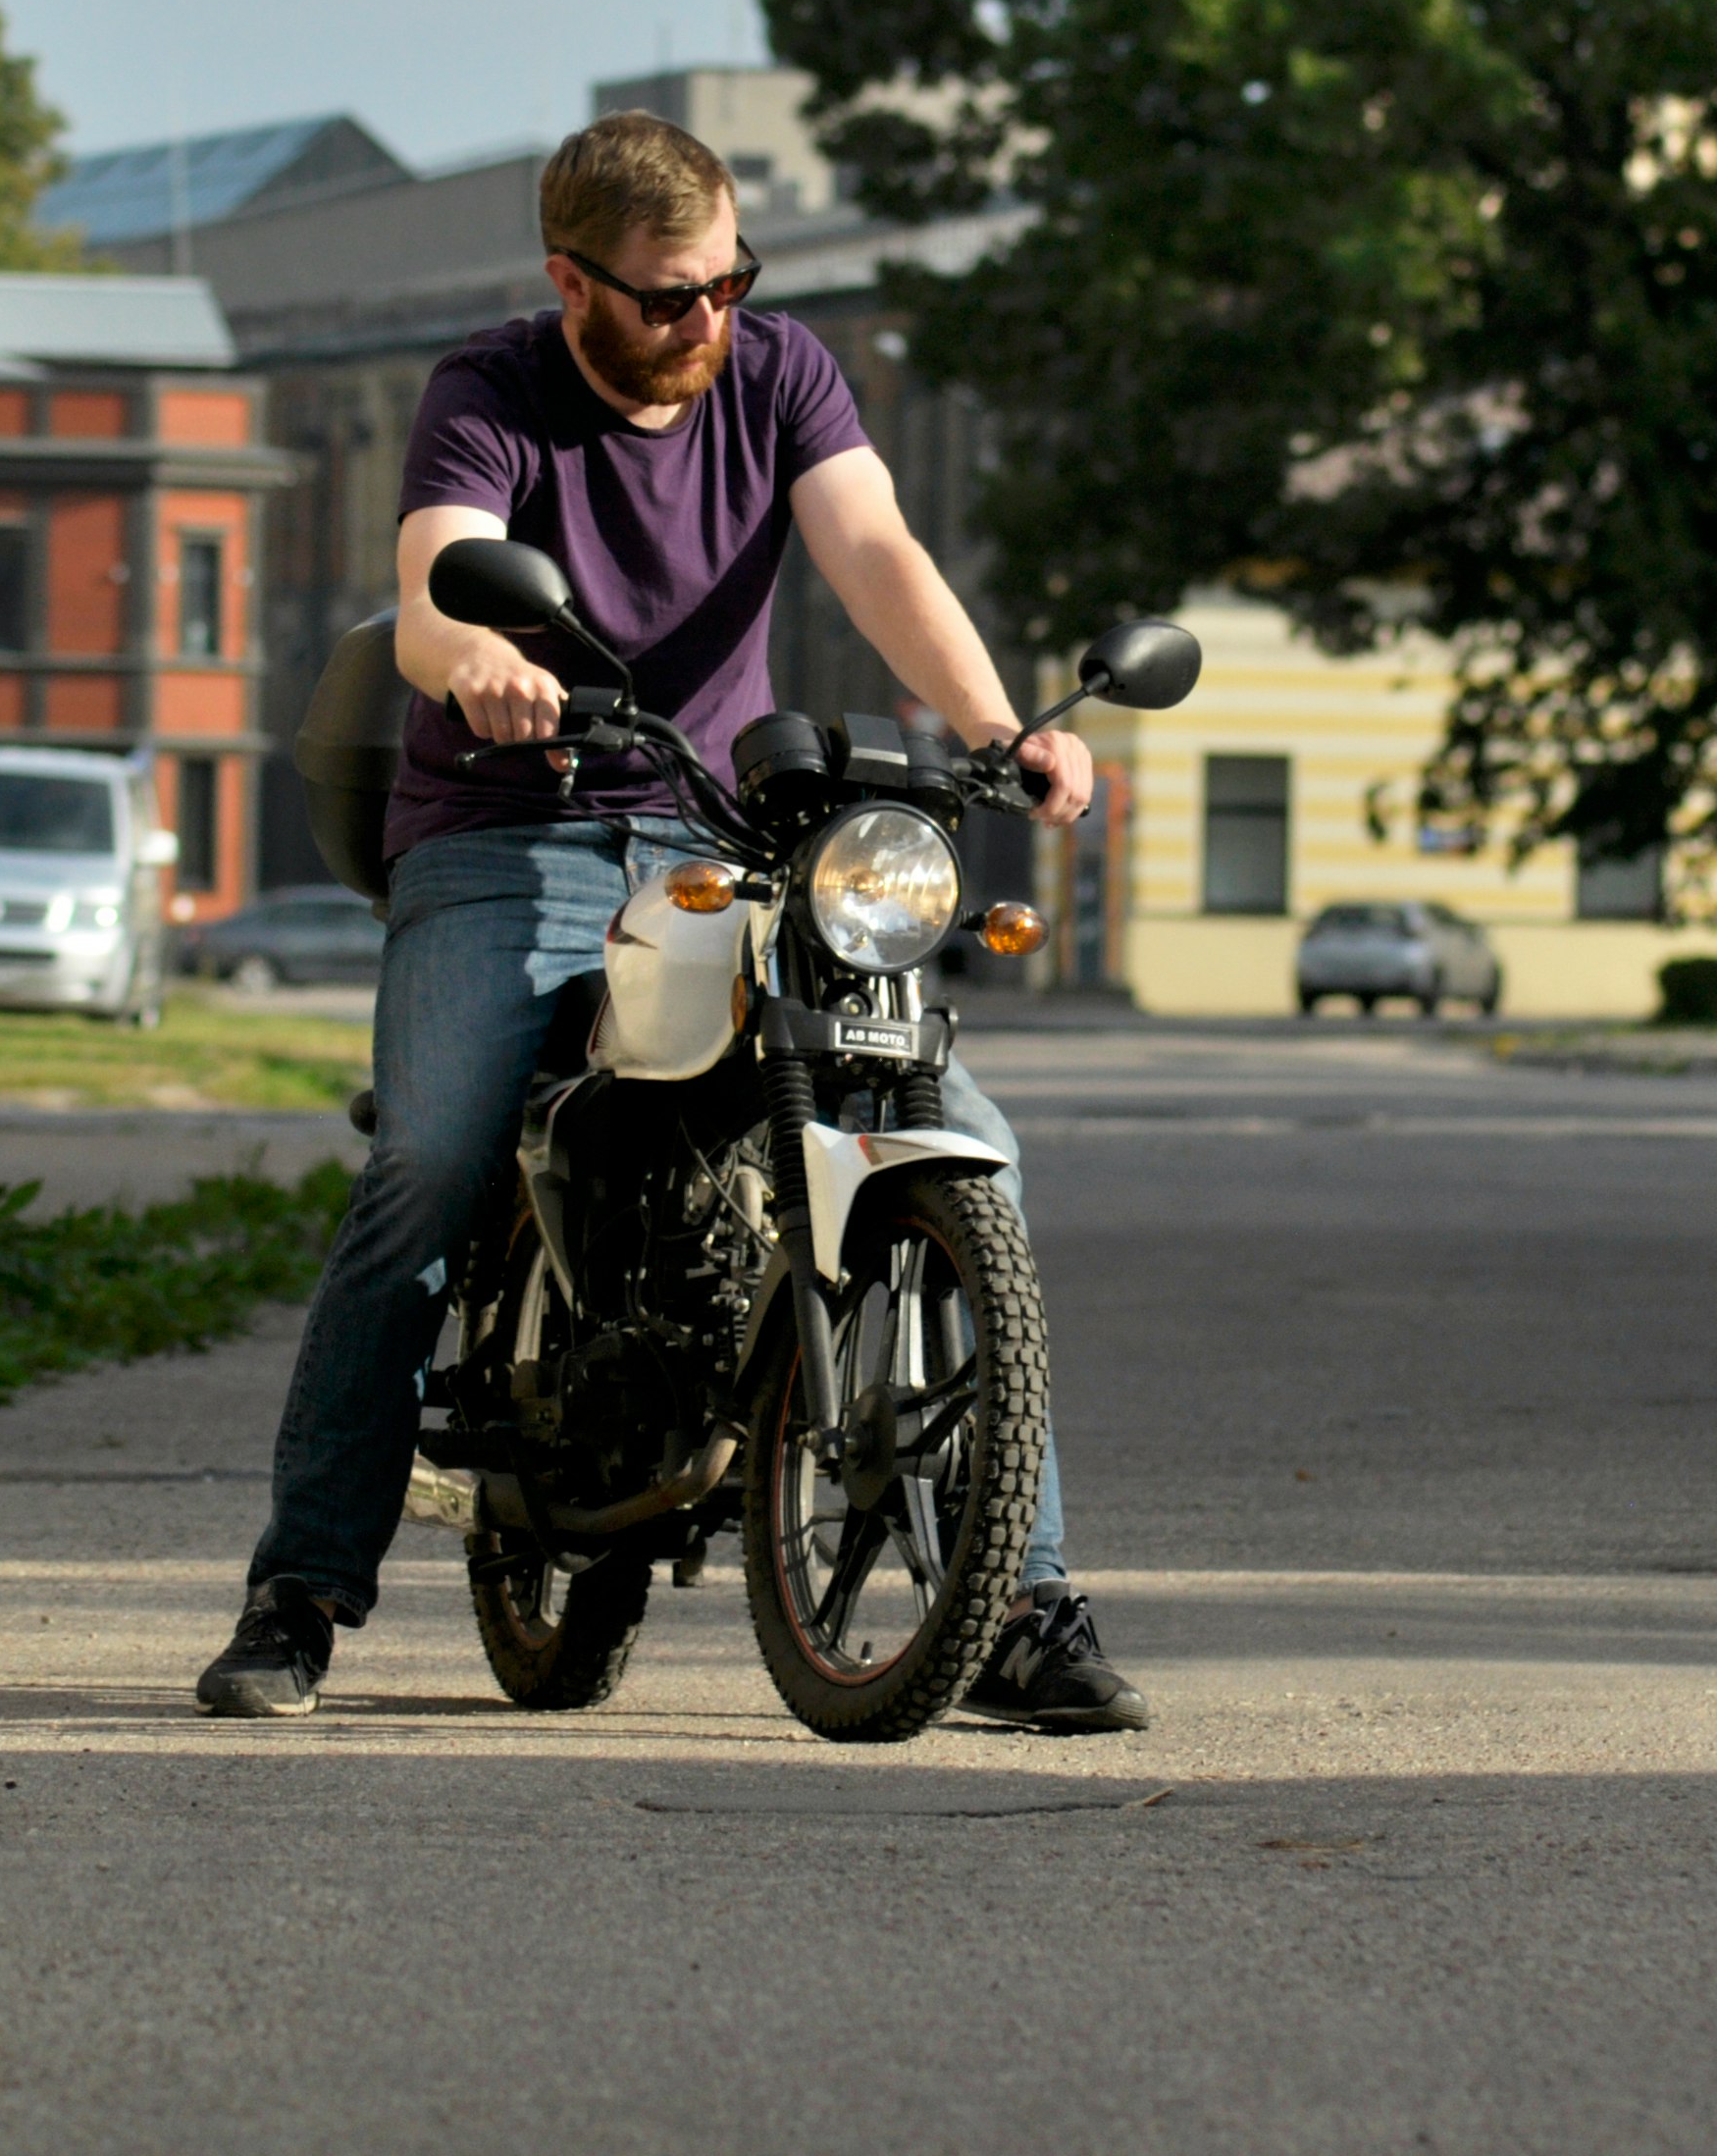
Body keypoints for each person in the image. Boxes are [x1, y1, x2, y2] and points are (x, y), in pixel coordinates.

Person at [194, 111, 1148, 1733]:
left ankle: (1018, 1600)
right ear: (572, 281)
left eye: (725, 285)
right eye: (663, 298)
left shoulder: (778, 373)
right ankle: (300, 1589)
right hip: (519, 827)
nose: (703, 322)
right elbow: (438, 574)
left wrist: (1002, 727)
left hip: (724, 824)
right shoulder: (486, 390)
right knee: (431, 1158)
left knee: (961, 1133)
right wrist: (477, 663)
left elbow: (876, 551)